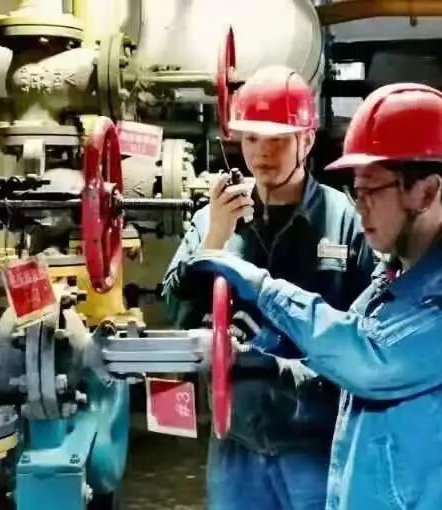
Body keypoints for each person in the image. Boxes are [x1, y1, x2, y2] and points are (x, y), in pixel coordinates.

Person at [184, 83, 442, 510]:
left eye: (371, 192)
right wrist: (251, 359)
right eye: (354, 192)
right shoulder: (394, 277)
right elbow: (335, 378)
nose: (359, 207)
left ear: (424, 191)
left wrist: (264, 288)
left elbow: (370, 361)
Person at [161, 65, 376, 510]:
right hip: (236, 438)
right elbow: (175, 312)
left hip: (316, 439)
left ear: (307, 141)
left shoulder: (345, 221)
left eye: (279, 139)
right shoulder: (213, 218)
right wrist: (214, 240)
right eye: (252, 138)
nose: (262, 152)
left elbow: (371, 332)